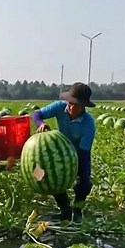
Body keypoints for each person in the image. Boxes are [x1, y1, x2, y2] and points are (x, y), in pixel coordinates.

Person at [32, 83, 96, 223]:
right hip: (60, 152)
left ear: (84, 106)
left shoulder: (88, 124)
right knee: (55, 178)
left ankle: (78, 210)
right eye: (71, 103)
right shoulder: (60, 107)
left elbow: (84, 154)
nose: (72, 108)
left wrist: (75, 170)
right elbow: (37, 114)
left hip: (79, 153)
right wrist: (41, 124)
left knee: (84, 183)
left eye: (77, 105)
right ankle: (65, 209)